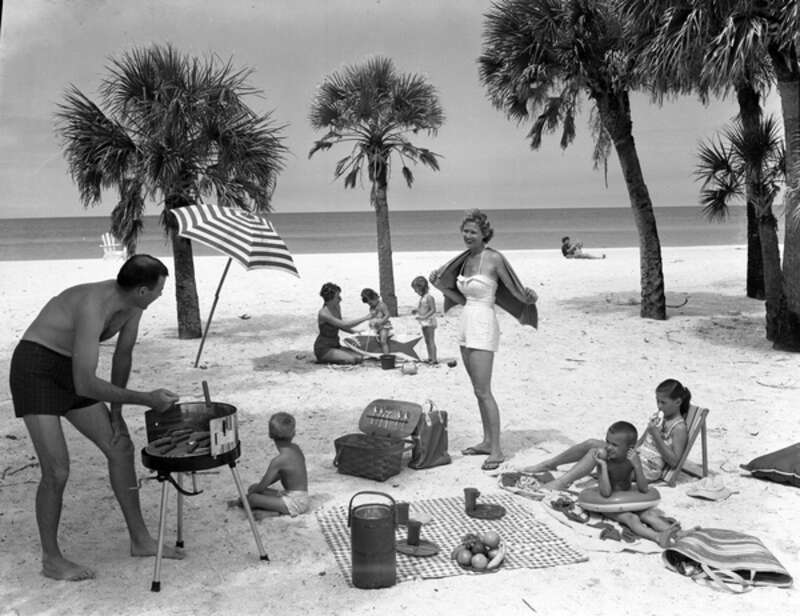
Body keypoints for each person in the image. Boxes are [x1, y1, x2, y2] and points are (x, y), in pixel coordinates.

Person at [8, 254, 182, 582]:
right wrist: (146, 399)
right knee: (57, 470)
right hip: (36, 368)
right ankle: (52, 559)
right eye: (160, 289)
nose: (161, 294)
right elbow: (86, 383)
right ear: (142, 290)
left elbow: (123, 354)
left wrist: (117, 414)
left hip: (71, 369)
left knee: (120, 447)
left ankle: (140, 540)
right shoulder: (93, 305)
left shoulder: (134, 306)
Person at [430, 209, 538, 471]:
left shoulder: (494, 259)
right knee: (477, 391)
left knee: (484, 391)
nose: (467, 236)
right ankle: (487, 441)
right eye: (465, 231)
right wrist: (441, 287)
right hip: (467, 321)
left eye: (473, 232)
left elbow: (517, 291)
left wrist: (529, 298)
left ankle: (497, 450)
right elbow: (461, 298)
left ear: (484, 234)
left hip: (484, 324)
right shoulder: (465, 260)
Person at [526, 379, 692, 488]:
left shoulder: (679, 428)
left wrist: (655, 434)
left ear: (677, 402)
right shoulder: (662, 419)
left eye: (663, 402)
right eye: (657, 401)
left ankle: (562, 482)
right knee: (592, 442)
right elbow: (640, 444)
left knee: (595, 453)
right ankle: (551, 463)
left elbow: (674, 461)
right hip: (637, 456)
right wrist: (647, 432)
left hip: (645, 469)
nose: (659, 406)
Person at [592, 421, 680, 547]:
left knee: (648, 515)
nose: (608, 447)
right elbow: (606, 493)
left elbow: (644, 489)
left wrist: (637, 465)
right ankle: (657, 537)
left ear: (630, 448)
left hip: (628, 501)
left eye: (615, 445)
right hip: (610, 505)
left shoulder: (631, 460)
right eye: (608, 442)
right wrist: (603, 466)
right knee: (631, 518)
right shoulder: (605, 462)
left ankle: (679, 534)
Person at [238, 412, 309, 520]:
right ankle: (273, 510)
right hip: (297, 497)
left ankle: (275, 512)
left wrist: (256, 491)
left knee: (252, 498)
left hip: (295, 503)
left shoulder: (278, 461)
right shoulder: (296, 449)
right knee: (254, 488)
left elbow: (263, 485)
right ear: (293, 433)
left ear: (270, 435)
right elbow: (283, 474)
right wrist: (259, 489)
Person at [314, 282, 371, 364]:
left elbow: (340, 326)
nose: (340, 299)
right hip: (323, 349)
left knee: (360, 357)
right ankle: (324, 359)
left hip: (335, 345)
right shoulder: (323, 313)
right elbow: (344, 324)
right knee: (352, 360)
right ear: (330, 298)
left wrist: (355, 332)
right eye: (338, 297)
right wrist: (366, 318)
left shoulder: (337, 307)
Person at [411, 275, 438, 363]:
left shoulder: (429, 297)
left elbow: (433, 310)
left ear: (421, 288)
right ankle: (430, 357)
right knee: (427, 340)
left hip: (429, 321)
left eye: (416, 290)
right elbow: (423, 308)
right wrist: (417, 310)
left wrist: (424, 317)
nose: (415, 292)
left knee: (431, 340)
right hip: (424, 322)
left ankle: (434, 359)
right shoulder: (423, 298)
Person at [361, 287, 392, 355]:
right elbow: (373, 316)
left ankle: (386, 355)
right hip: (376, 327)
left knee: (383, 341)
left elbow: (387, 315)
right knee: (374, 339)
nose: (370, 305)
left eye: (371, 303)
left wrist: (382, 321)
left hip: (384, 326)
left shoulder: (382, 305)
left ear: (375, 298)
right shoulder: (372, 307)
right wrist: (371, 322)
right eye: (368, 304)